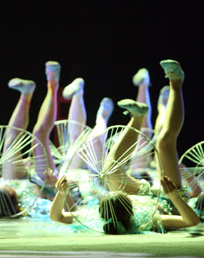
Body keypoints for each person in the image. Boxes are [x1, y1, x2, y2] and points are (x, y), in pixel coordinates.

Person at [49, 59, 200, 234]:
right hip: (168, 198)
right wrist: (174, 196)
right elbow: (192, 221)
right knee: (164, 142)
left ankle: (137, 118)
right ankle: (176, 82)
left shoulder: (98, 218)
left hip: (141, 194)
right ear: (130, 210)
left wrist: (60, 194)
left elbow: (57, 217)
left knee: (109, 169)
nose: (112, 191)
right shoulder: (147, 219)